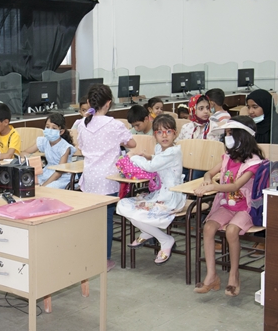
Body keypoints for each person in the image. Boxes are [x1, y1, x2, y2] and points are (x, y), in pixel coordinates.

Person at [193, 116, 265, 297]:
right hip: (227, 205)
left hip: (246, 208)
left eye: (231, 133)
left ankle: (234, 276)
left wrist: (213, 187)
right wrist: (207, 180)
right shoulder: (227, 157)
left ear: (243, 136)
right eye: (226, 133)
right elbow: (209, 173)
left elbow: (235, 186)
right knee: (208, 228)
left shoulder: (253, 162)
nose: (227, 137)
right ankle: (211, 275)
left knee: (232, 231)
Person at [77, 84, 136, 272]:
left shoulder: (82, 124)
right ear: (109, 103)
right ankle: (104, 259)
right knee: (106, 219)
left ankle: (88, 254)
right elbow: (132, 143)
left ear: (88, 102)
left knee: (91, 218)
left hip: (89, 178)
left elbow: (80, 146)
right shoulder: (115, 125)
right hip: (108, 179)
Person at [116, 114, 186, 265]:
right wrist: (150, 156)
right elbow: (158, 160)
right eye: (159, 132)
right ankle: (148, 231)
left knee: (136, 214)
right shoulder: (159, 148)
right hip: (159, 193)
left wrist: (133, 157)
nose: (164, 136)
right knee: (123, 205)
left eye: (168, 131)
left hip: (170, 197)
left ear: (175, 133)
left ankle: (165, 240)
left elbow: (151, 166)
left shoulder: (173, 151)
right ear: (155, 135)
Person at [20, 113, 76, 189]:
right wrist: (32, 158)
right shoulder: (44, 141)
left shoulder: (65, 147)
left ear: (61, 132)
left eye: (54, 128)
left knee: (48, 188)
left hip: (62, 177)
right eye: (47, 127)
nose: (50, 130)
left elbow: (59, 172)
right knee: (25, 182)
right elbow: (23, 153)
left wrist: (43, 186)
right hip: (47, 172)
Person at [176, 94, 215, 180]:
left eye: (207, 108)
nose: (206, 111)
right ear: (193, 110)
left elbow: (214, 151)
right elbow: (178, 145)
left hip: (205, 163)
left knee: (196, 172)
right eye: (201, 108)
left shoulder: (214, 128)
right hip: (186, 162)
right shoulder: (186, 127)